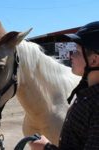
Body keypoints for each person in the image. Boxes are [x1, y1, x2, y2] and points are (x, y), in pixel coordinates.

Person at [30, 21, 99, 150]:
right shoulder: (86, 93)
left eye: (77, 52)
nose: (70, 56)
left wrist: (46, 148)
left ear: (94, 60)